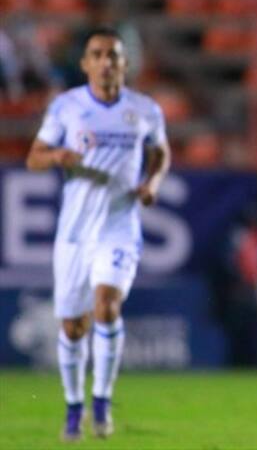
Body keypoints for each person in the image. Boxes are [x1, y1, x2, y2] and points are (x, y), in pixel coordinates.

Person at [26, 27, 171, 441]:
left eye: (113, 55)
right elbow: (34, 157)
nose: (106, 61)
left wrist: (152, 182)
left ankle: (102, 402)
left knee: (106, 305)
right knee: (73, 326)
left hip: (119, 226)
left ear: (125, 63)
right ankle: (74, 407)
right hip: (75, 231)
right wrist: (58, 155)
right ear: (85, 63)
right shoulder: (66, 107)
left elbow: (160, 152)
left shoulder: (144, 109)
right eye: (98, 54)